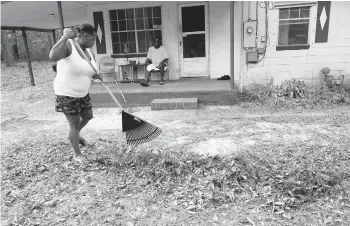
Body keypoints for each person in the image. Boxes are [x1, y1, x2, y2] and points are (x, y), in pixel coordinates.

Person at [49, 23, 103, 163]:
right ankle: (77, 154)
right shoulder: (68, 45)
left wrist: (95, 75)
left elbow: (88, 69)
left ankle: (74, 135)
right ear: (85, 36)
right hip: (67, 93)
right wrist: (64, 37)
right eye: (93, 38)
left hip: (83, 93)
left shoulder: (90, 52)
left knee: (88, 116)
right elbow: (53, 56)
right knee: (73, 123)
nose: (94, 42)